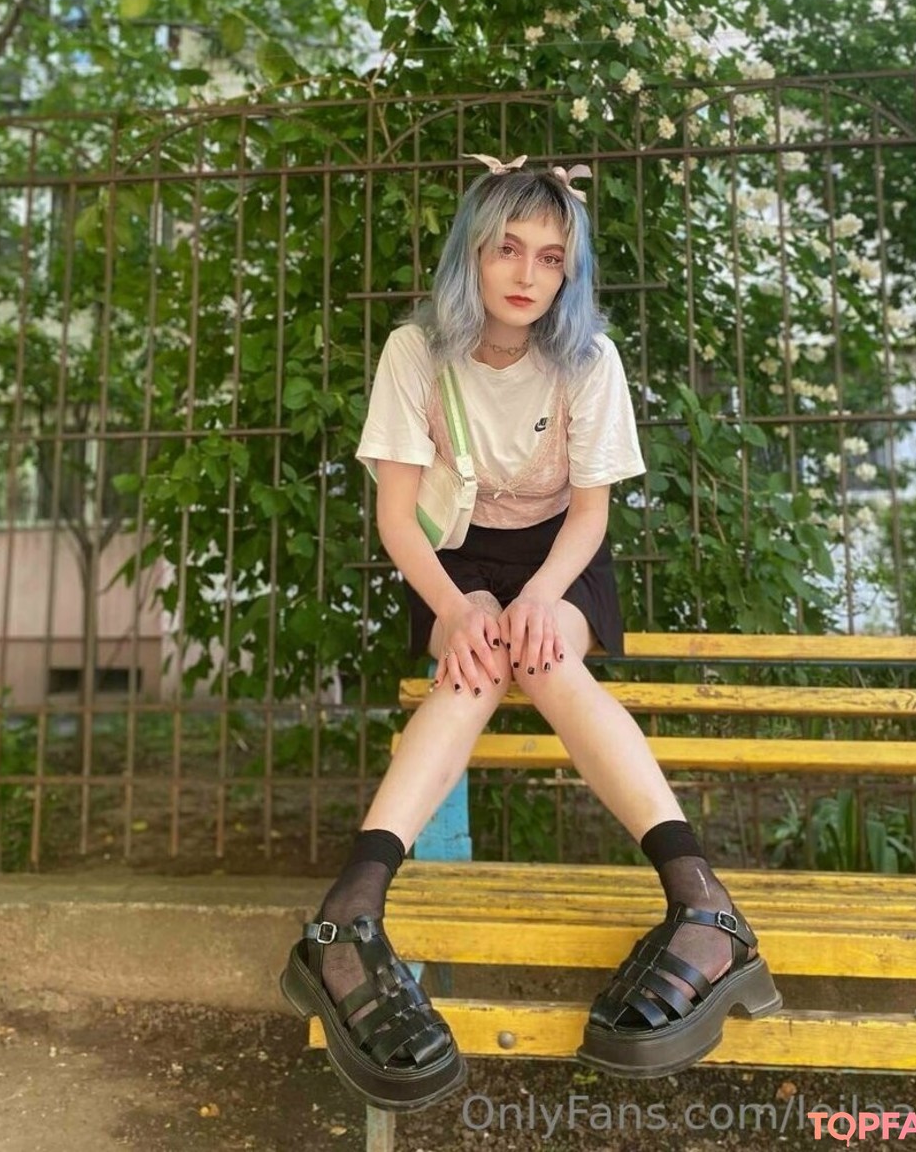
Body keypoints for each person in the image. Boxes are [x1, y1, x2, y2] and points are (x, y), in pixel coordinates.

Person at [280, 155, 782, 1112]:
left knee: (547, 664)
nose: (526, 273)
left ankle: (700, 900)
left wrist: (545, 596)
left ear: (569, 272)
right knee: (469, 673)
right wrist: (456, 607)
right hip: (453, 558)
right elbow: (397, 517)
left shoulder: (588, 360)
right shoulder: (414, 352)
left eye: (551, 258)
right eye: (507, 248)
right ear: (470, 254)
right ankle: (352, 911)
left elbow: (591, 516)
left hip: (560, 554)